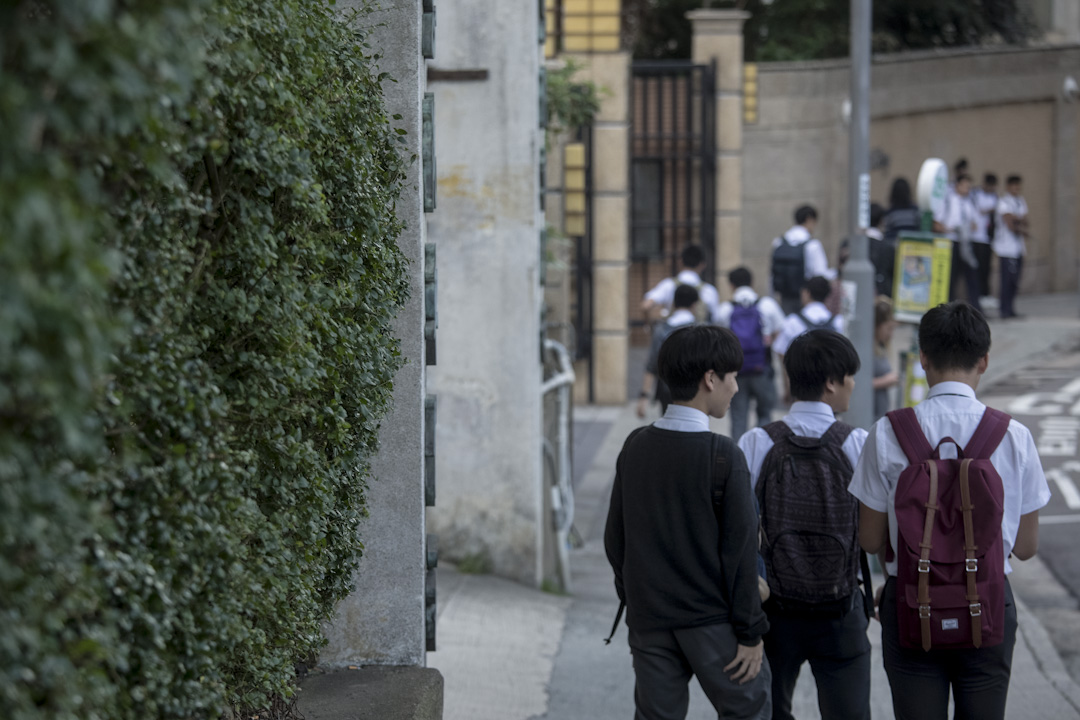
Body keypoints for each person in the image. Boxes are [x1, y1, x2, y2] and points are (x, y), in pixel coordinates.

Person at [849, 301, 1050, 720]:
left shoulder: (887, 432)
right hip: (990, 604)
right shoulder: (1013, 435)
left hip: (910, 602)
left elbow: (869, 539)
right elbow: (1027, 546)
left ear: (922, 357)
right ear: (985, 360)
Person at [606, 325, 771, 720]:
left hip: (649, 621)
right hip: (712, 622)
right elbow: (742, 550)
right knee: (749, 710)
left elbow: (616, 539)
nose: (735, 388)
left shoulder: (635, 446)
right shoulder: (723, 455)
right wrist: (750, 632)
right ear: (709, 379)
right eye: (731, 377)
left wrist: (635, 597)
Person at [738, 329, 871, 720]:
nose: (853, 385)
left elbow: (738, 534)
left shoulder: (757, 441)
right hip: (840, 610)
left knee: (770, 713)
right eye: (849, 376)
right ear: (831, 382)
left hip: (774, 612)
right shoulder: (857, 443)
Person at [716, 267, 786, 441]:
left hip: (736, 371)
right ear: (752, 282)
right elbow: (780, 333)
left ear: (731, 285)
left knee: (739, 417)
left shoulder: (725, 309)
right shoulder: (768, 305)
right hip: (762, 368)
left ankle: (739, 457)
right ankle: (763, 456)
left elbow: (719, 339)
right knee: (764, 414)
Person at [773, 277, 845, 403]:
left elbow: (783, 355)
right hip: (830, 387)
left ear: (806, 293)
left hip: (801, 387)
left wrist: (788, 387)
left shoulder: (792, 321)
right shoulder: (839, 322)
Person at [637, 284, 700, 419]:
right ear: (694, 305)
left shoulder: (661, 329)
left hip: (667, 390)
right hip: (696, 391)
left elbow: (652, 364)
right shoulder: (701, 330)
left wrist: (644, 397)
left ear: (673, 303)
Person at [770, 205, 833, 315]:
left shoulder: (779, 242)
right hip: (807, 299)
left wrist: (772, 298)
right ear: (809, 219)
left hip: (784, 297)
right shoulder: (813, 245)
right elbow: (820, 274)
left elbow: (772, 274)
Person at [642, 244, 721, 322]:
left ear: (680, 261)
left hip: (674, 332)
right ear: (702, 265)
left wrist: (651, 328)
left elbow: (646, 305)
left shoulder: (668, 285)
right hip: (699, 333)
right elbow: (716, 318)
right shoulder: (709, 290)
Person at [943, 174, 981, 312]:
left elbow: (975, 223)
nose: (967, 190)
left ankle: (976, 307)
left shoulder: (969, 202)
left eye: (969, 187)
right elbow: (943, 223)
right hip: (952, 241)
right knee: (951, 276)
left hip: (966, 242)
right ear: (957, 186)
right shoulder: (949, 200)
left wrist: (969, 226)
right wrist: (954, 228)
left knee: (971, 275)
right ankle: (949, 309)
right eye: (965, 186)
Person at [880, 178, 923, 297]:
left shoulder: (890, 212)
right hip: (913, 252)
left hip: (893, 250)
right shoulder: (915, 210)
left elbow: (886, 233)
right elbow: (920, 230)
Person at [994, 175, 1028, 319]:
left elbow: (1025, 221)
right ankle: (1004, 309)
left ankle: (1011, 308)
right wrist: (1017, 221)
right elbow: (1009, 222)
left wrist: (1017, 221)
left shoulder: (1020, 201)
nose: (1016, 189)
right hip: (1006, 248)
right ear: (1008, 186)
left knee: (1015, 280)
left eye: (1018, 186)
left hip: (1018, 247)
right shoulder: (1003, 202)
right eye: (1014, 186)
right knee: (1006, 280)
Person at [971, 173, 999, 309]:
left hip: (988, 238)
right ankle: (978, 296)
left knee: (986, 269)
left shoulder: (995, 197)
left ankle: (985, 295)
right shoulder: (975, 194)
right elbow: (980, 211)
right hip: (976, 238)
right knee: (977, 269)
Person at [872, 297, 899, 421]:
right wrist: (884, 381)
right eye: (889, 328)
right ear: (878, 326)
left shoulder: (881, 347)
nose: (891, 334)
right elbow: (857, 383)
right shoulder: (866, 350)